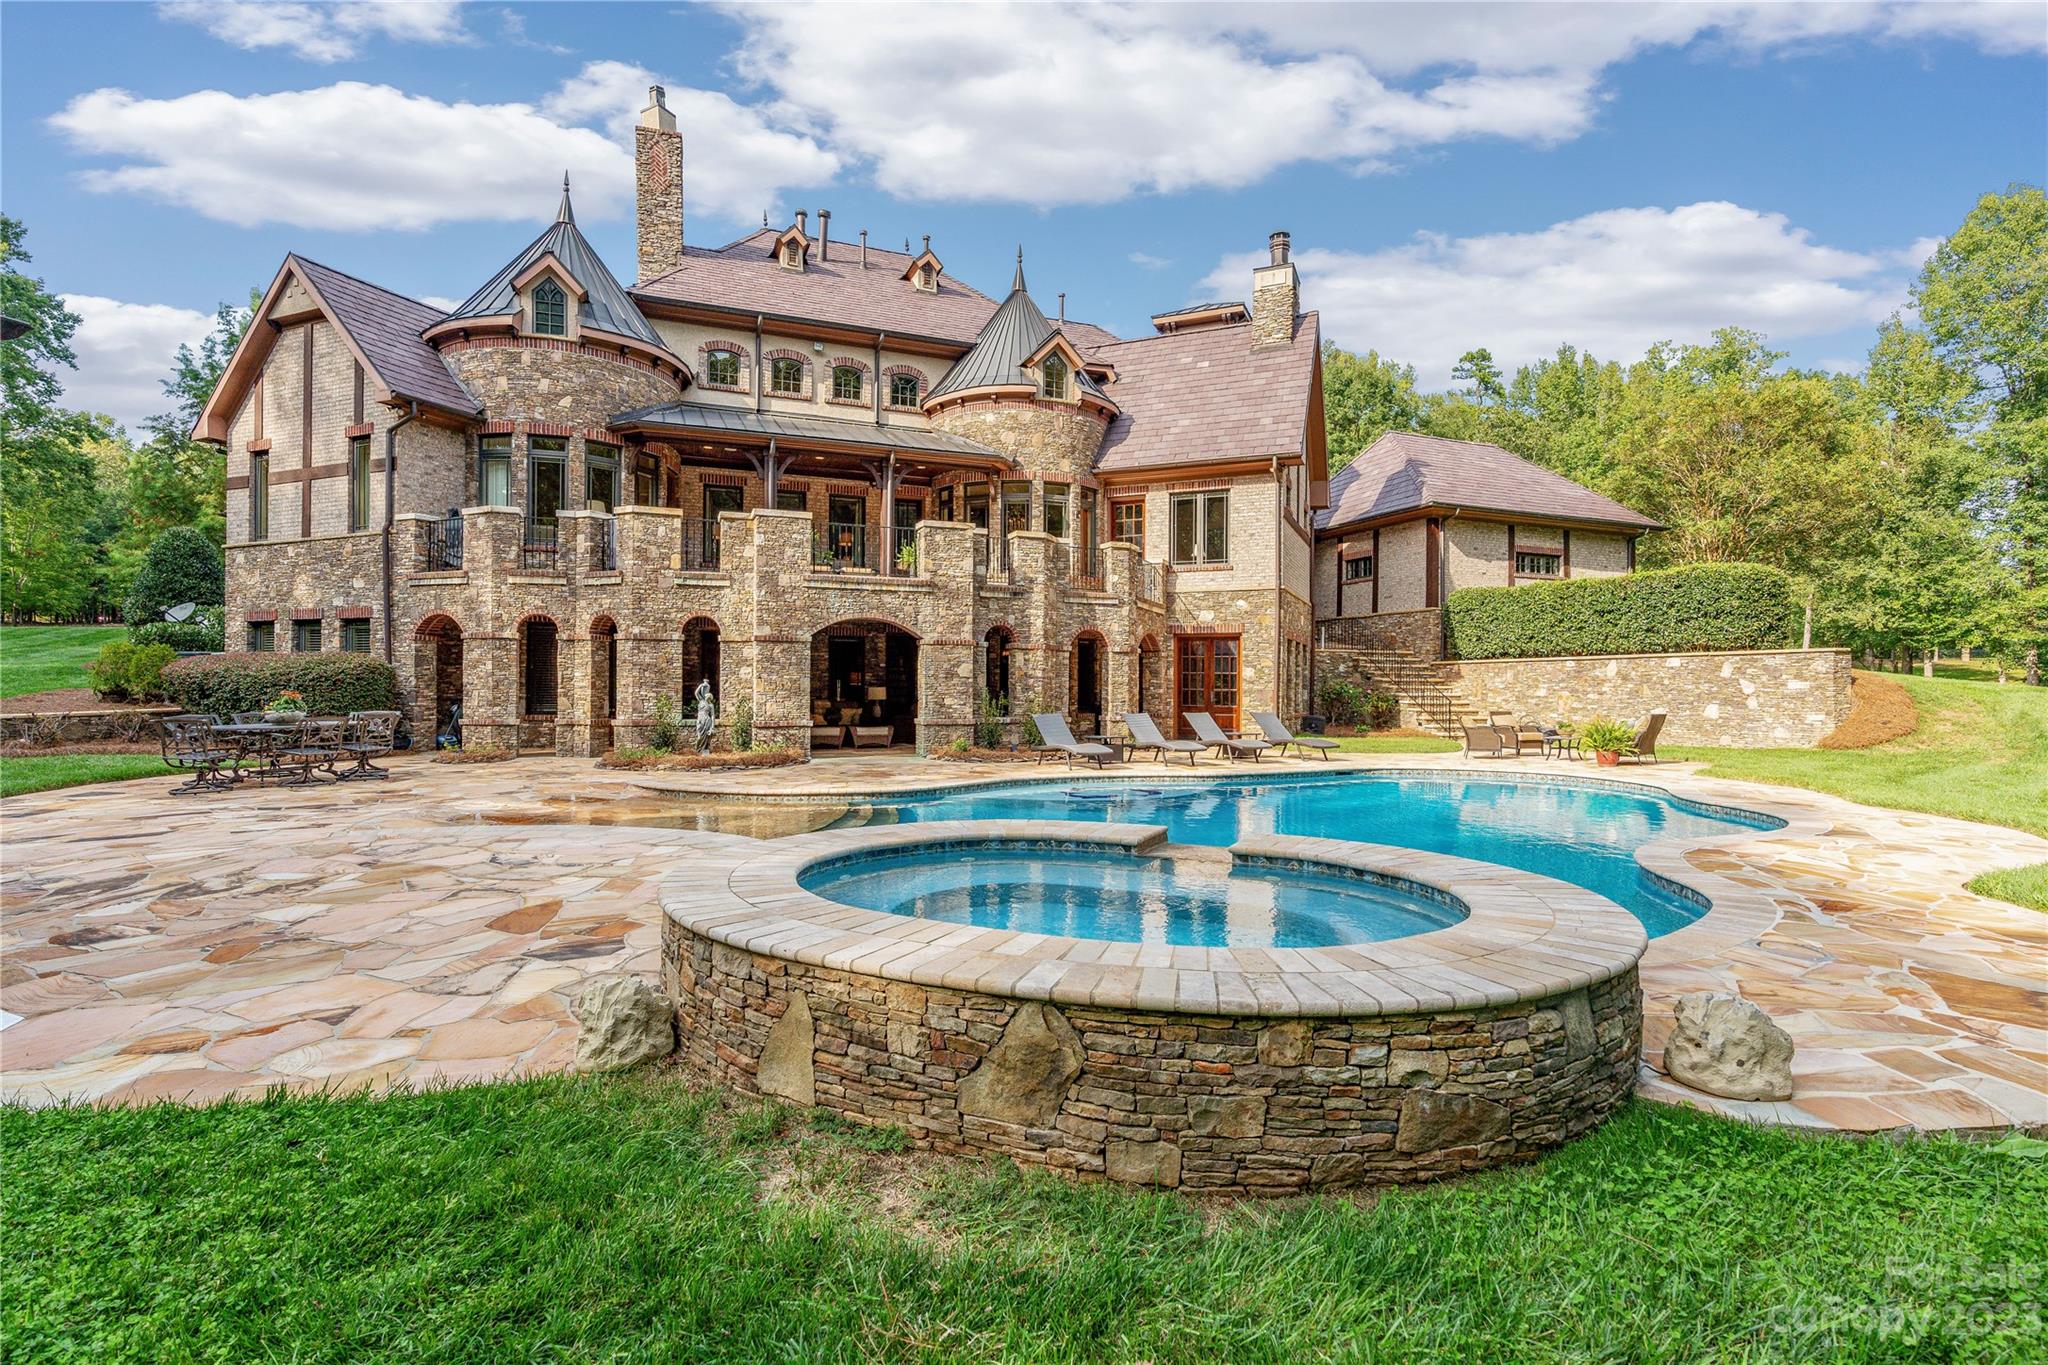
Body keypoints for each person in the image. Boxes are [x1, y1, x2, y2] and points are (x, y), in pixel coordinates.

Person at [693, 680, 717, 754]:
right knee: (700, 736)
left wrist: (712, 727)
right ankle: (698, 750)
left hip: (707, 721)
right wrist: (701, 685)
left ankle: (705, 750)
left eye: (707, 696)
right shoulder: (701, 701)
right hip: (700, 720)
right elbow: (696, 693)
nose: (705, 695)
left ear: (709, 697)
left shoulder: (711, 705)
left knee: (706, 737)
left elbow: (712, 716)